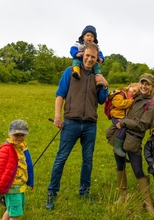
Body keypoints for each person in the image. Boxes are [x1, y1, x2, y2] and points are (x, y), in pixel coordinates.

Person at [45, 43, 109, 210]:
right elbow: (60, 94)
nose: (89, 59)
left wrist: (104, 84)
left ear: (97, 59)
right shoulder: (71, 72)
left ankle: (84, 192)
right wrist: (58, 116)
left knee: (87, 160)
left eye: (93, 57)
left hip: (90, 124)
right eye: (87, 55)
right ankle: (52, 192)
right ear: (82, 54)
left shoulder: (97, 76)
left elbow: (102, 100)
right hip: (71, 122)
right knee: (61, 158)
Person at [106, 73, 154, 214]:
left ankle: (149, 205)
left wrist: (123, 122)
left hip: (133, 140)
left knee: (138, 171)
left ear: (152, 87)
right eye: (142, 83)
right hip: (119, 136)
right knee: (119, 165)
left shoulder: (152, 104)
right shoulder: (134, 98)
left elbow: (143, 125)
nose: (144, 86)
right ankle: (122, 196)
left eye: (147, 84)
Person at [0, 120, 34, 220]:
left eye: (22, 135)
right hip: (12, 186)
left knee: (11, 209)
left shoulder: (22, 147)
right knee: (16, 214)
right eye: (16, 135)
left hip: (20, 185)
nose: (19, 137)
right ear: (10, 133)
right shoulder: (6, 149)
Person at [109, 83, 139, 157]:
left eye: (136, 93)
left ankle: (122, 152)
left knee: (125, 132)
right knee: (123, 128)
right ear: (130, 86)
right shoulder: (120, 94)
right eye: (134, 90)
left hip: (122, 118)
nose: (133, 93)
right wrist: (129, 102)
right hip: (116, 117)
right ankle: (117, 147)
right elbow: (119, 104)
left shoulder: (128, 97)